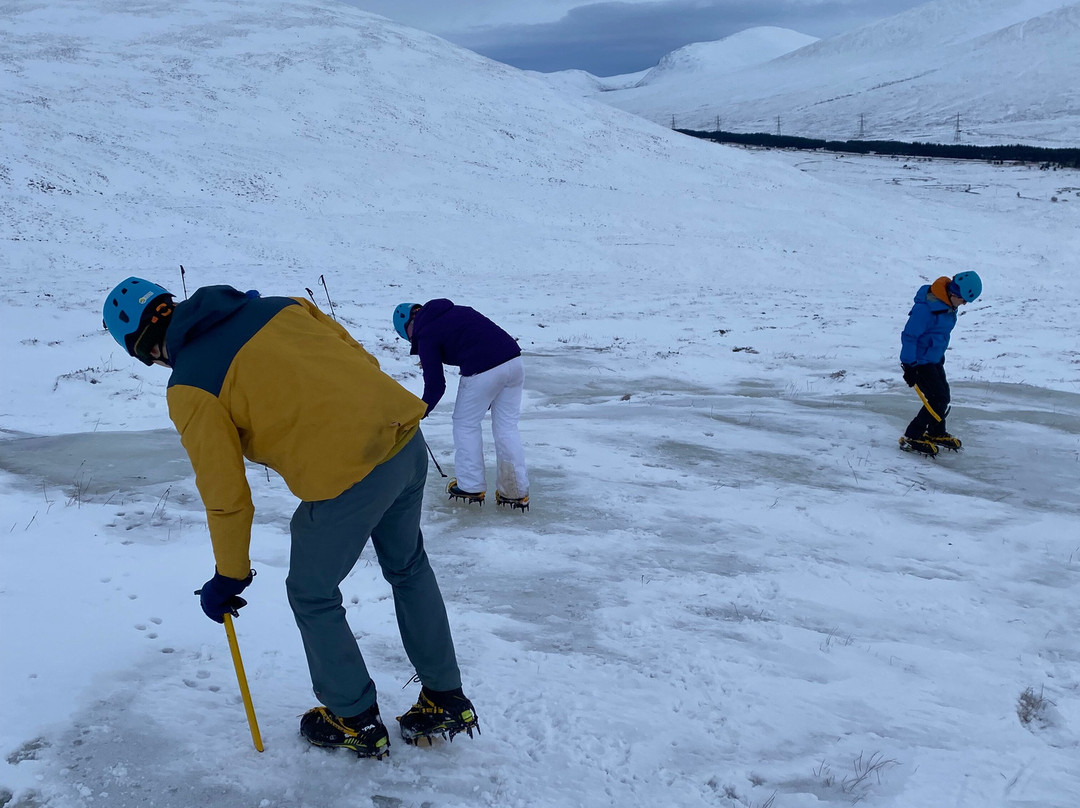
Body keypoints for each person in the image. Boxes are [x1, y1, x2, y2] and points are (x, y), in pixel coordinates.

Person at [102, 277, 479, 758]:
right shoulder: (283, 306)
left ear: (147, 349)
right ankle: (446, 698)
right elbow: (359, 358)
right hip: (404, 440)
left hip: (350, 474)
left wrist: (230, 574)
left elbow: (225, 493)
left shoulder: (189, 385)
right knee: (407, 567)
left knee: (312, 591)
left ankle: (353, 718)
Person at [393, 299, 529, 511]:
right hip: (514, 361)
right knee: (507, 427)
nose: (412, 341)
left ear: (409, 325)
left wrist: (419, 412)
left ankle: (470, 485)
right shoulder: (454, 311)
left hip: (484, 367)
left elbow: (436, 385)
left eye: (408, 337)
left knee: (465, 424)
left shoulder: (425, 331)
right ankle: (515, 491)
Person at [898, 270, 983, 457]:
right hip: (919, 362)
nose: (964, 304)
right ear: (954, 294)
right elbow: (909, 336)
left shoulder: (947, 304)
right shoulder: (927, 308)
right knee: (938, 399)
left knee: (943, 395)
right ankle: (912, 435)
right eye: (964, 300)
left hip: (934, 359)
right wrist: (909, 365)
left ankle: (935, 432)